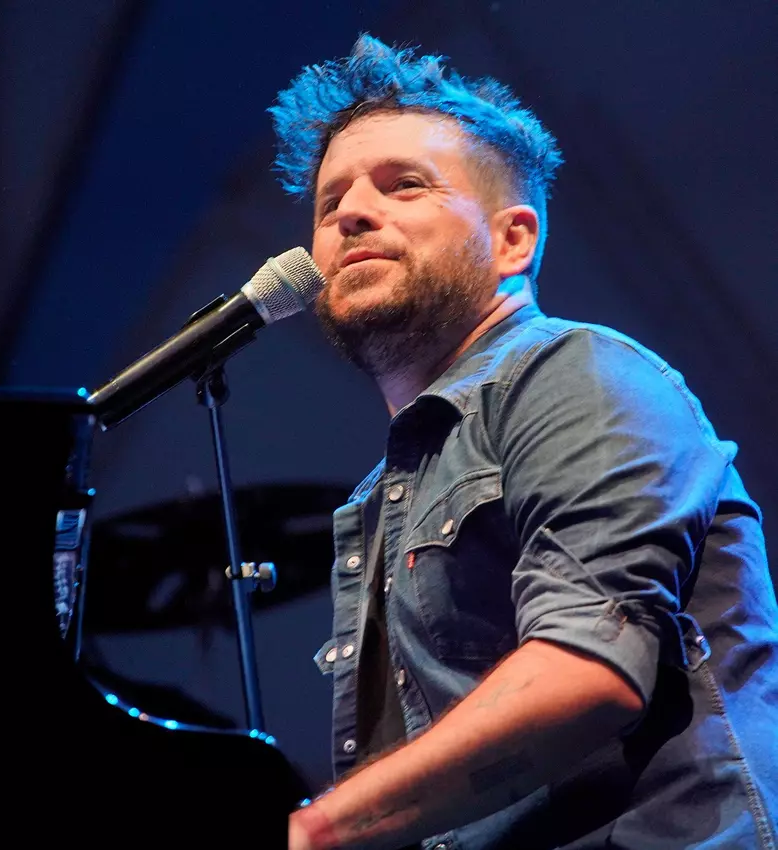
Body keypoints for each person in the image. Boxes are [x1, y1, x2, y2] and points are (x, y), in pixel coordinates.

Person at [270, 34, 778, 850]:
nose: (351, 214)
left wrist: (314, 829)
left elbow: (587, 670)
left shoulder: (580, 372)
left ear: (514, 240)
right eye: (331, 205)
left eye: (404, 185)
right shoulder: (383, 495)